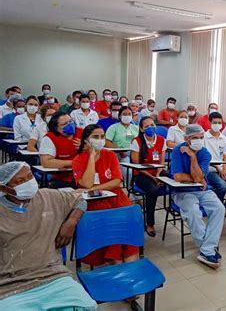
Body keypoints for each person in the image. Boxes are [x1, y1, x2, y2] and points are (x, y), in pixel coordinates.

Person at [0, 162, 97, 310]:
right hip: (11, 285)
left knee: (87, 306)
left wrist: (71, 222)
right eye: (20, 181)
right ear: (4, 188)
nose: (29, 183)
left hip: (53, 275)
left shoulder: (48, 196)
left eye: (30, 176)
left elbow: (79, 200)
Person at [72, 124, 139, 266]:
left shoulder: (110, 155)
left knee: (128, 217)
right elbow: (87, 183)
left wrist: (93, 188)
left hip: (116, 197)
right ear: (86, 140)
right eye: (95, 137)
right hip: (95, 202)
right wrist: (91, 157)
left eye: (102, 137)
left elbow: (116, 182)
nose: (100, 140)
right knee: (111, 222)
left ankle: (128, 268)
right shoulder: (78, 159)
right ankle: (117, 263)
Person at [171, 124, 225, 268]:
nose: (199, 141)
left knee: (219, 208)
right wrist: (197, 178)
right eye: (195, 138)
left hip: (202, 190)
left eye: (201, 138)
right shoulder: (177, 150)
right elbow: (178, 177)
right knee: (194, 211)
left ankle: (206, 249)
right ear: (186, 139)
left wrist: (193, 158)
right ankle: (207, 249)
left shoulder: (204, 153)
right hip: (182, 191)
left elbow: (199, 176)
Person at [130, 117, 166, 237]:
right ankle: (150, 223)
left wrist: (158, 175)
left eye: (152, 124)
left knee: (172, 178)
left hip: (157, 172)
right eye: (146, 126)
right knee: (153, 190)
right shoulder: (137, 141)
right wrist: (153, 178)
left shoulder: (161, 140)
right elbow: (136, 165)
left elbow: (162, 162)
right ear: (141, 129)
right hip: (141, 174)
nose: (150, 128)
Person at [204, 112, 226, 220]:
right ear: (210, 123)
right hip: (209, 169)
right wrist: (217, 168)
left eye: (220, 122)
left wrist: (224, 168)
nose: (218, 125)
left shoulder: (223, 138)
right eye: (215, 122)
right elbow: (203, 158)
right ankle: (217, 209)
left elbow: (225, 157)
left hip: (221, 168)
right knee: (222, 185)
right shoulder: (204, 137)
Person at [39, 112, 82, 188]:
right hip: (63, 179)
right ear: (55, 127)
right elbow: (46, 162)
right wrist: (74, 163)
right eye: (64, 124)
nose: (70, 125)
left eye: (71, 121)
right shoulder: (49, 138)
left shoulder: (82, 132)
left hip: (84, 176)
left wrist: (86, 148)